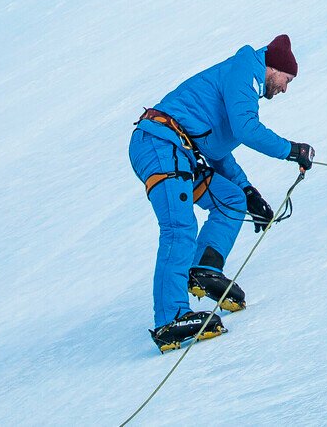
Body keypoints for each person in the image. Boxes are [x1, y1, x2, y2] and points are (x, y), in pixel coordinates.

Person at [130, 35, 314, 350]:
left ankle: (204, 270)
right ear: (274, 68)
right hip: (161, 144)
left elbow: (217, 149)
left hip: (181, 151)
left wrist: (248, 191)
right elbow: (246, 129)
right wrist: (292, 150)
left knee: (231, 199)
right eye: (287, 79)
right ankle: (170, 319)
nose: (285, 88)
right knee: (179, 226)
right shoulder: (245, 70)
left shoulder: (239, 83)